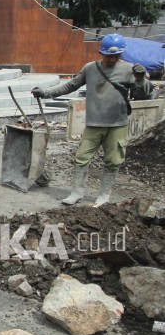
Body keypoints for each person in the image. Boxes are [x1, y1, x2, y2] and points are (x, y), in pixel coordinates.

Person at [31, 34, 147, 206]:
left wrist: (140, 79)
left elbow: (142, 93)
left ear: (121, 55)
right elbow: (70, 86)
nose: (112, 59)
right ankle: (77, 192)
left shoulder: (129, 70)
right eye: (109, 56)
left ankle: (104, 195)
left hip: (117, 123)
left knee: (113, 161)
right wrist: (46, 92)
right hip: (94, 123)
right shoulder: (90, 68)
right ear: (102, 53)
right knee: (82, 157)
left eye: (116, 56)